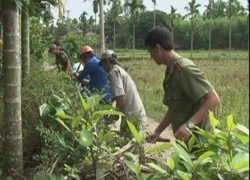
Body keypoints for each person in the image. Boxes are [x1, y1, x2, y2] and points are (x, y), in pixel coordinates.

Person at [144, 26, 220, 144]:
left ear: (158, 48)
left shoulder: (184, 69)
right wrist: (157, 132)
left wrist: (189, 125)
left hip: (201, 143)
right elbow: (175, 108)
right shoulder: (171, 70)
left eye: (150, 51)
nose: (151, 56)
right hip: (186, 143)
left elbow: (213, 99)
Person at [99, 50, 146, 135]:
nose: (103, 67)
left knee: (130, 144)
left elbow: (120, 99)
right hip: (137, 113)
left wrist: (113, 116)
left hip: (131, 116)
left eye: (102, 64)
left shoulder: (113, 73)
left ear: (106, 61)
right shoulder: (120, 70)